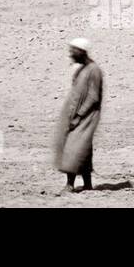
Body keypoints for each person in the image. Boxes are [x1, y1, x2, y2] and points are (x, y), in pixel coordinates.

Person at [52, 37, 104, 192]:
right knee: (84, 149)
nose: (70, 54)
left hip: (86, 116)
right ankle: (87, 184)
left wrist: (79, 115)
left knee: (72, 148)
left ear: (82, 52)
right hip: (78, 115)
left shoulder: (94, 70)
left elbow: (93, 97)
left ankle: (69, 185)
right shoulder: (82, 68)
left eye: (73, 51)